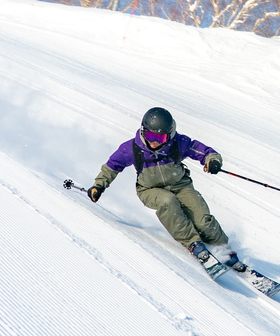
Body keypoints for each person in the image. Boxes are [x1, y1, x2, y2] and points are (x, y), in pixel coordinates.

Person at [88, 107, 244, 270]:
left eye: (160, 137)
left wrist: (212, 160)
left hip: (180, 185)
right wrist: (98, 185)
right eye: (150, 136)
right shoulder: (132, 148)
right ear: (143, 131)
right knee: (167, 201)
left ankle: (224, 249)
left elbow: (204, 151)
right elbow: (112, 166)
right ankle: (193, 243)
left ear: (169, 134)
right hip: (149, 189)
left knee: (202, 218)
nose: (154, 142)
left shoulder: (177, 143)